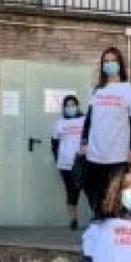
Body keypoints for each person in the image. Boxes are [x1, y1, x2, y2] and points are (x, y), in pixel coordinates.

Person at [81, 47, 131, 217]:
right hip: (94, 153)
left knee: (116, 196)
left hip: (118, 154)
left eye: (113, 61)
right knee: (93, 191)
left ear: (120, 64)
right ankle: (101, 220)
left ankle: (112, 223)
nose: (109, 64)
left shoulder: (130, 90)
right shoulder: (96, 90)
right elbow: (89, 119)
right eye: (106, 61)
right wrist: (84, 142)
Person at [51, 95, 86, 230]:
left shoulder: (85, 120)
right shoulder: (59, 123)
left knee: (88, 188)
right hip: (65, 163)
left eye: (73, 105)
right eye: (68, 105)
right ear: (64, 108)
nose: (70, 107)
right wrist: (57, 159)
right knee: (71, 190)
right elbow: (54, 143)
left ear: (77, 106)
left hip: (83, 162)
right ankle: (73, 219)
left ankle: (97, 217)